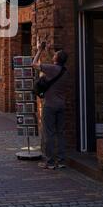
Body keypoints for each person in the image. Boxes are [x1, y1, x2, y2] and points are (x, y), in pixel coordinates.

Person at [32, 41, 69, 170]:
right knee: (60, 133)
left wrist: (39, 50)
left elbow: (34, 64)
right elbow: (54, 61)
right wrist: (49, 51)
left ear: (57, 59)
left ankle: (50, 162)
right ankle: (61, 160)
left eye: (55, 55)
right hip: (61, 105)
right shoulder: (65, 71)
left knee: (49, 133)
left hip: (50, 106)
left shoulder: (52, 69)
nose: (53, 55)